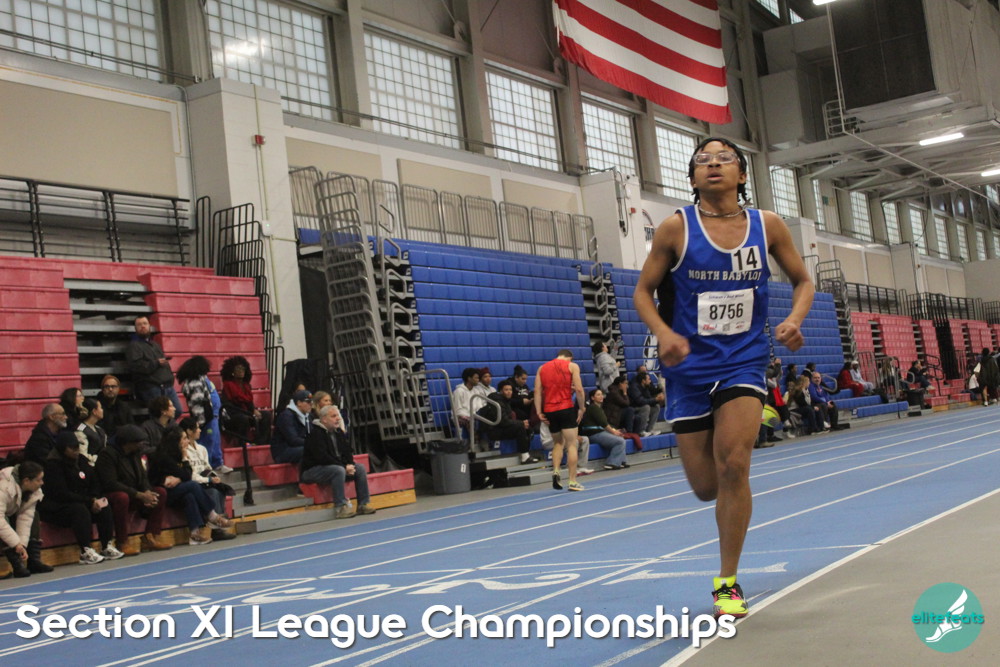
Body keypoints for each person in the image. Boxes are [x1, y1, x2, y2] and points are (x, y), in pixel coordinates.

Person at [633, 137, 814, 619]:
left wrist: (794, 320)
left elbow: (803, 280)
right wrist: (664, 333)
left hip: (743, 360)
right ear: (693, 177)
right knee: (706, 487)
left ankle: (727, 584)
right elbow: (643, 292)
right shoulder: (676, 228)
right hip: (688, 368)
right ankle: (714, 454)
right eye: (703, 161)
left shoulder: (767, 225)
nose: (713, 164)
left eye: (724, 159)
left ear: (742, 174)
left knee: (735, 464)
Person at [39, 432, 123, 564]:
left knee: (103, 505)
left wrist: (94, 498)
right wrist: (89, 501)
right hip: (58, 507)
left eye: (77, 447)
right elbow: (61, 494)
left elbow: (94, 480)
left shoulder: (82, 460)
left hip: (83, 501)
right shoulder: (52, 466)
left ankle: (106, 545)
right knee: (80, 510)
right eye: (72, 448)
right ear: (63, 448)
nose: (76, 451)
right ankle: (85, 550)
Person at [95, 424, 171, 555]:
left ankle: (150, 536)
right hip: (110, 496)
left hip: (134, 493)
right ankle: (122, 542)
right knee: (122, 497)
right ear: (128, 443)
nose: (142, 444)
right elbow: (110, 483)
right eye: (138, 442)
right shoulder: (107, 455)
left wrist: (147, 491)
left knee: (160, 492)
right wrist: (139, 495)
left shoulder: (135, 454)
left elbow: (143, 476)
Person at [148, 427, 230, 546]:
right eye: (184, 438)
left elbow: (186, 474)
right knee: (193, 485)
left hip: (177, 490)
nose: (187, 441)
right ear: (176, 441)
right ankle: (212, 516)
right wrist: (184, 460)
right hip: (163, 493)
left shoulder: (177, 453)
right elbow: (187, 475)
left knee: (189, 496)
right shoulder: (164, 457)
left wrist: (179, 478)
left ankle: (194, 534)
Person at [301, 405, 376, 519]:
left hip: (334, 467)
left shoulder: (338, 432)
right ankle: (340, 507)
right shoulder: (315, 434)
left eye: (338, 416)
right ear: (324, 419)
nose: (338, 418)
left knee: (360, 468)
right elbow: (322, 458)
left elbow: (347, 451)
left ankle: (363, 504)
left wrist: (350, 464)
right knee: (339, 470)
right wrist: (344, 467)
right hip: (312, 471)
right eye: (334, 416)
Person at [534, 350, 586, 492]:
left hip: (550, 410)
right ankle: (572, 481)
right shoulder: (572, 366)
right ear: (570, 358)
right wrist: (582, 408)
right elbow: (579, 389)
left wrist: (539, 411)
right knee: (571, 444)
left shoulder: (542, 368)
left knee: (558, 443)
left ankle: (556, 470)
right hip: (566, 408)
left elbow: (537, 391)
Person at [179, 417, 236, 541]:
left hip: (205, 481)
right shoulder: (183, 451)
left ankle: (218, 526)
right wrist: (208, 480)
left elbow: (208, 468)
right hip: (195, 483)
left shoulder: (202, 449)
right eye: (197, 428)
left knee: (221, 489)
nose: (200, 430)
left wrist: (214, 477)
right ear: (189, 431)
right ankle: (215, 527)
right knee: (213, 492)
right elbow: (190, 475)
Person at [176, 356, 228, 473]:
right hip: (206, 418)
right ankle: (206, 467)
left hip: (213, 415)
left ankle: (217, 463)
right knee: (207, 442)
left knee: (215, 441)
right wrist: (201, 422)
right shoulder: (194, 383)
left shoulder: (203, 379)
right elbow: (197, 404)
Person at [125, 315, 182, 415]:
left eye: (145, 323)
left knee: (177, 411)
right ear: (135, 328)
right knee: (159, 415)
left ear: (149, 326)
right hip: (152, 387)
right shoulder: (133, 346)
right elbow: (136, 366)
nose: (143, 326)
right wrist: (156, 363)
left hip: (167, 386)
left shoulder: (155, 345)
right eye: (139, 324)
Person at [1, 461, 46, 578]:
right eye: (38, 480)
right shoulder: (3, 486)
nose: (42, 483)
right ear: (26, 481)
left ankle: (33, 560)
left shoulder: (34, 491)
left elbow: (25, 518)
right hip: (2, 517)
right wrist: (16, 543)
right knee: (4, 520)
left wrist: (22, 544)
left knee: (34, 515)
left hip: (8, 513)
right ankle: (17, 564)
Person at [480, 380, 538, 464]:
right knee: (520, 427)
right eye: (506, 390)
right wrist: (521, 423)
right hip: (494, 430)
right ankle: (524, 457)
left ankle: (528, 454)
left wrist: (521, 423)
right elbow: (503, 421)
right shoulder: (497, 402)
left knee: (528, 428)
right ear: (501, 391)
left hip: (501, 428)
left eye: (510, 390)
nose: (509, 392)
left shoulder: (505, 401)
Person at [220, 355, 272, 445]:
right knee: (244, 419)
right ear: (232, 372)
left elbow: (249, 402)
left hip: (246, 414)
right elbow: (228, 407)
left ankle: (261, 443)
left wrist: (254, 410)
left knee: (266, 415)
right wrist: (249, 413)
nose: (241, 371)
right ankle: (243, 444)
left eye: (243, 369)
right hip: (233, 416)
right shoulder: (228, 386)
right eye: (238, 369)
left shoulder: (246, 386)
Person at [578, 389, 629, 470]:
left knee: (620, 437)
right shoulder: (593, 408)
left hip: (599, 432)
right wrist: (614, 432)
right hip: (594, 434)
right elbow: (603, 423)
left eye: (601, 394)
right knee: (620, 441)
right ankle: (612, 463)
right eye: (598, 395)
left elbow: (605, 423)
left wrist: (614, 431)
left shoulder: (599, 408)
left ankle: (621, 461)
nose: (601, 396)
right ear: (592, 398)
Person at [271, 389, 313, 465]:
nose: (311, 404)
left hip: (297, 447)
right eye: (308, 402)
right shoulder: (286, 416)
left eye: (311, 402)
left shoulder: (307, 416)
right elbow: (293, 440)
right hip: (283, 451)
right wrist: (312, 443)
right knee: (308, 450)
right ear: (299, 403)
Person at [97, 375, 134, 439]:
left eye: (113, 386)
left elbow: (131, 426)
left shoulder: (124, 407)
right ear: (102, 389)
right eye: (107, 386)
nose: (110, 389)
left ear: (118, 389)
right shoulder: (97, 407)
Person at [75, 398, 108, 465]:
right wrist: (99, 459)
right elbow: (82, 455)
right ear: (94, 411)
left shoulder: (100, 430)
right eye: (100, 408)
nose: (102, 410)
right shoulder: (80, 431)